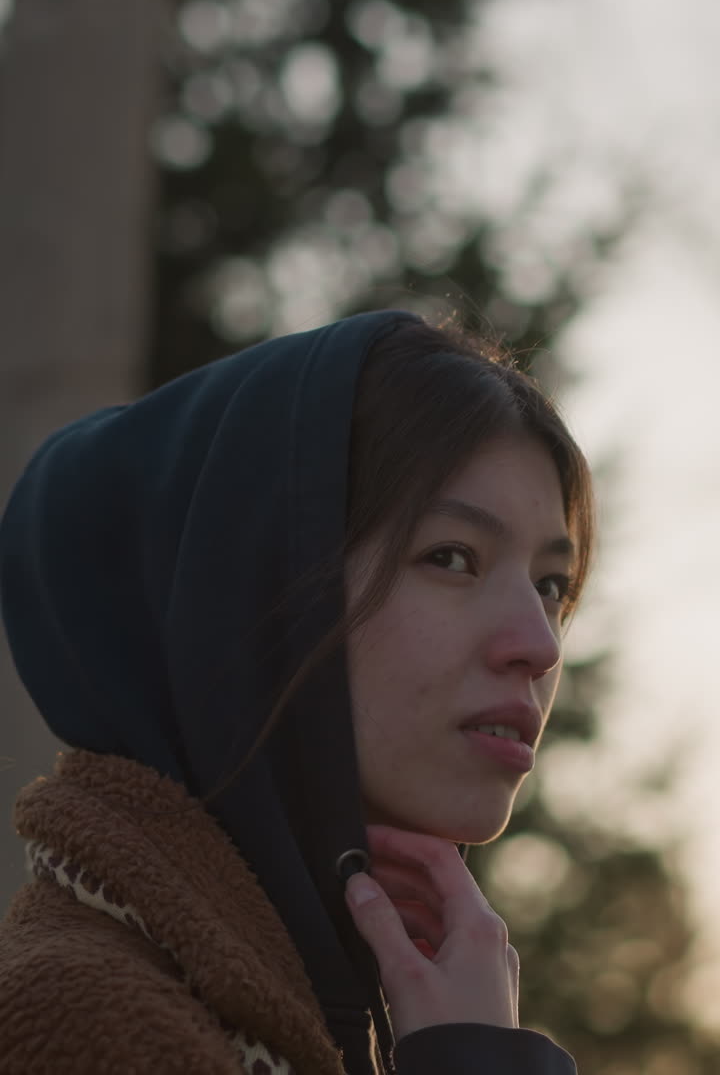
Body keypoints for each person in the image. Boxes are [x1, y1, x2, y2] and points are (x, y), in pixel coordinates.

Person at [0, 309, 593, 1074]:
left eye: (552, 584)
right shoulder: (83, 1020)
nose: (540, 645)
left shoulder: (318, 1004)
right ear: (248, 597)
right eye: (452, 557)